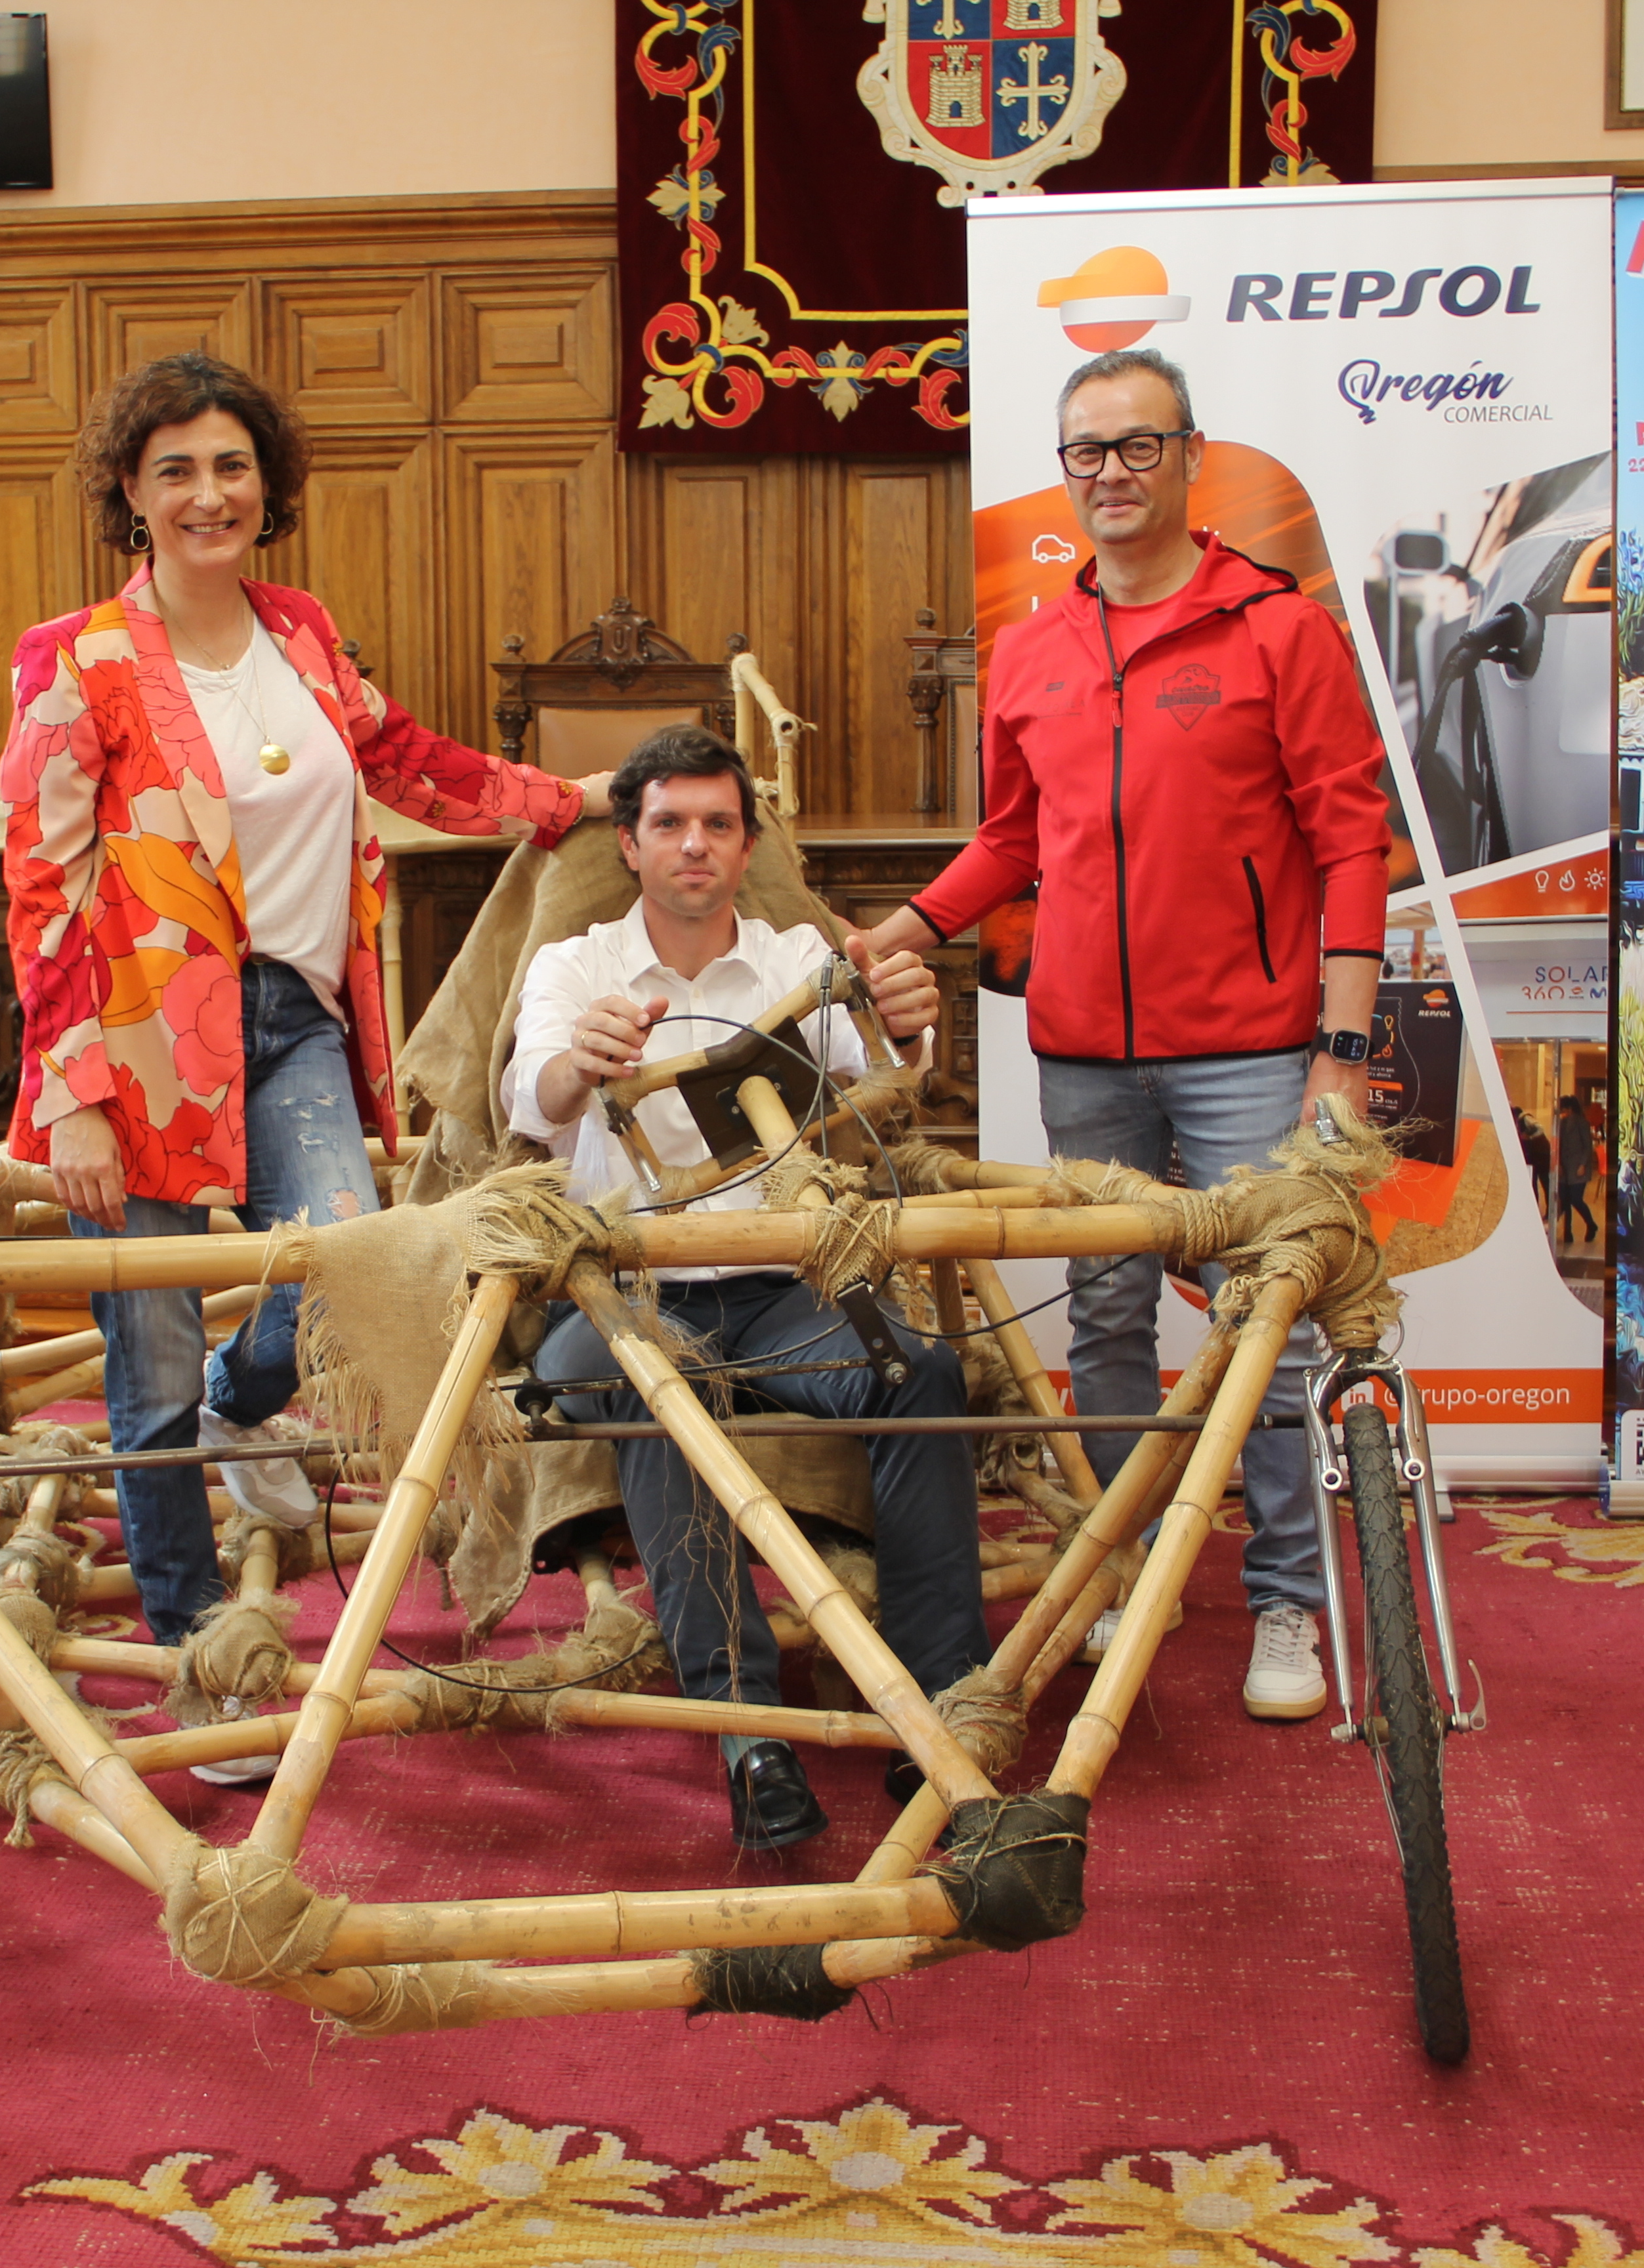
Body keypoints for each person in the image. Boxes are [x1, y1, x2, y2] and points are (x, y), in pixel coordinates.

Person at [1, 352, 584, 1779]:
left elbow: (405, 759)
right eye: (176, 470)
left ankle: (240, 1405)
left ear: (269, 488)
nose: (209, 494)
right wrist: (68, 1086)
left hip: (294, 1016)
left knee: (341, 1259)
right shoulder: (75, 662)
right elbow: (40, 884)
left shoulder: (304, 632)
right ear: (130, 495)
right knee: (138, 1366)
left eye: (232, 466)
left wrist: (573, 802)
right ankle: (208, 1661)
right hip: (133, 1040)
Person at [853, 346, 1388, 1724]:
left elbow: (1348, 837)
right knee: (1101, 1317)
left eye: (1137, 446)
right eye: (1085, 451)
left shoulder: (1278, 629)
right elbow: (1014, 840)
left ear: (1188, 456)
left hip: (1251, 1048)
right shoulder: (1029, 648)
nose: (1110, 474)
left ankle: (1285, 1603)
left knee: (1261, 1325)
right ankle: (1120, 1561)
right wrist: (907, 928)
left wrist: (1340, 1039)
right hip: (1084, 1048)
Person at [509, 726, 981, 1853]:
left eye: (716, 824)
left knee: (920, 1374)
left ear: (745, 843)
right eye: (668, 823)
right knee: (656, 1384)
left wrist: (908, 1027)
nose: (692, 845)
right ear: (627, 844)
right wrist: (583, 1055)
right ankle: (749, 1734)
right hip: (624, 1303)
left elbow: (882, 1089)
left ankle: (939, 1705)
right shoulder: (574, 965)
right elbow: (534, 1101)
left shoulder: (793, 960)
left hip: (781, 1296)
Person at [1554, 1093, 1600, 1248]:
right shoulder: (1561, 1124)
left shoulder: (1582, 1123)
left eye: (1564, 1109)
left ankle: (1591, 1224)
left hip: (1578, 1167)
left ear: (1570, 1109)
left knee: (1575, 1198)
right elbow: (1559, 1145)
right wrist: (1558, 1164)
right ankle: (1568, 1232)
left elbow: (1588, 1146)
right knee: (1565, 1200)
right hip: (1565, 1167)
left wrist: (1582, 1165)